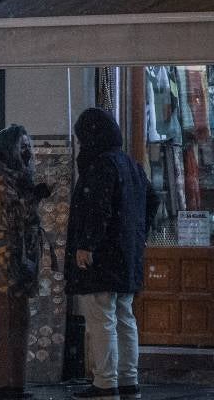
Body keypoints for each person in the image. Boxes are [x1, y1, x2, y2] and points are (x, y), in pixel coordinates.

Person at [66, 108, 159, 400]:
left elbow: (97, 209)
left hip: (103, 257)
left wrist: (86, 245)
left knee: (101, 316)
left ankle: (106, 382)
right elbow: (152, 199)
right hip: (126, 255)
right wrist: (135, 233)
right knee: (124, 316)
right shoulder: (129, 163)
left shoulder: (101, 165)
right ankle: (128, 378)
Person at [0, 124, 51, 400]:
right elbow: (8, 217)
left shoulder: (16, 175)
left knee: (18, 320)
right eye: (22, 145)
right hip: (6, 256)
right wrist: (32, 198)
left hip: (18, 253)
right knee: (8, 320)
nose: (28, 149)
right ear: (10, 148)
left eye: (29, 144)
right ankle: (2, 385)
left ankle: (13, 383)